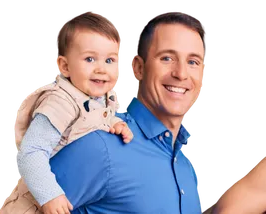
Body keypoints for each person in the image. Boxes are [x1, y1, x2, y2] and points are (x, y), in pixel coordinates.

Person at [40, 10, 207, 213]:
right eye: (167, 58)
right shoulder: (99, 143)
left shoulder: (186, 167)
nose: (181, 73)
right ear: (138, 68)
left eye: (193, 62)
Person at [0, 10, 133, 214]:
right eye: (89, 59)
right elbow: (31, 152)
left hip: (70, 195)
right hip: (32, 203)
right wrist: (49, 194)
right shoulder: (60, 102)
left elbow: (91, 119)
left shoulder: (102, 97)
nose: (101, 69)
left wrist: (113, 123)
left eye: (110, 60)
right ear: (65, 66)